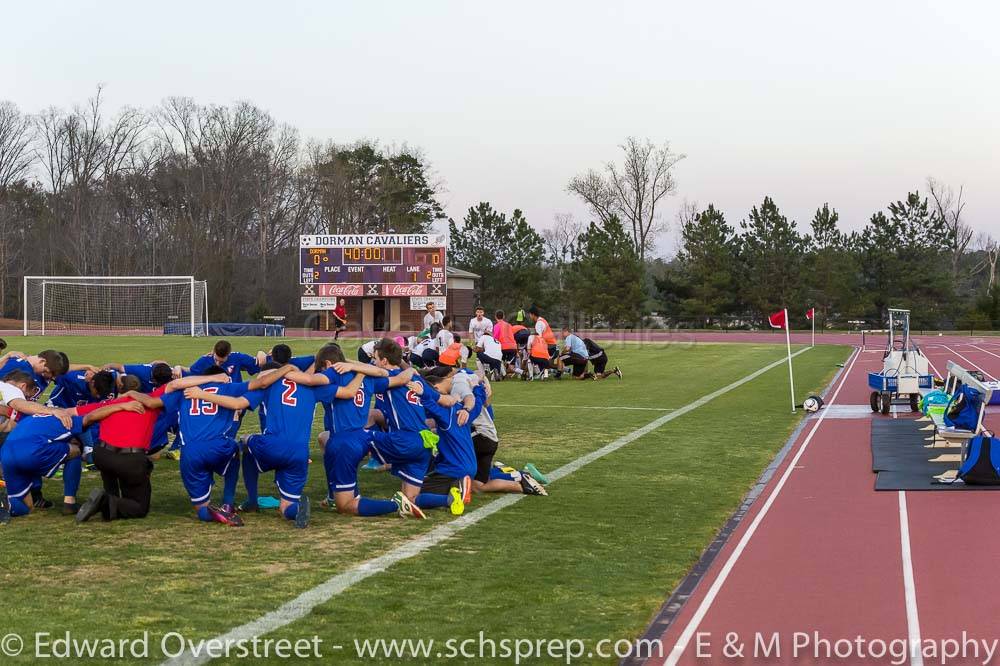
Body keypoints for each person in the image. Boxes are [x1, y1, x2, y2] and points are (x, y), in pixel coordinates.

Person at [185, 363, 337, 528]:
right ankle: (297, 508)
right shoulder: (312, 385)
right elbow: (347, 392)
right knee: (286, 507)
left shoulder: (269, 384)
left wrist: (201, 395)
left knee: (245, 443)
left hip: (271, 445)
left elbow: (237, 404)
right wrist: (357, 371)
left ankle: (250, 500)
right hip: (299, 452)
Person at [283, 343, 424, 518]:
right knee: (325, 439)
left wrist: (282, 372)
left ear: (328, 364)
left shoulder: (334, 373)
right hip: (361, 437)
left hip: (344, 441)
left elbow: (310, 380)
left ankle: (395, 505)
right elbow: (395, 377)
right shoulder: (366, 375)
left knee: (346, 505)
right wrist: (410, 370)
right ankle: (335, 494)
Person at [366, 338, 464, 515]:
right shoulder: (416, 380)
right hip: (424, 443)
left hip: (404, 440)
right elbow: (445, 400)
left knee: (354, 436)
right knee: (410, 498)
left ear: (384, 361)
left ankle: (337, 495)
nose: (373, 362)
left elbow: (366, 379)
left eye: (375, 358)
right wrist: (457, 400)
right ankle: (450, 499)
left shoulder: (388, 379)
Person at [1, 404, 142, 524]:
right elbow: (92, 416)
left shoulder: (33, 417)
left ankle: (5, 504)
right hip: (32, 452)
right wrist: (121, 405)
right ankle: (70, 502)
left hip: (6, 453)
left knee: (26, 507)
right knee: (74, 452)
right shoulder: (68, 420)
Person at [187, 340, 260, 380]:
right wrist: (179, 367)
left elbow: (260, 363)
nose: (218, 363)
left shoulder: (237, 357)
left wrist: (261, 353)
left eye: (221, 361)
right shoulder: (205, 360)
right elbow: (190, 371)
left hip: (234, 399)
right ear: (213, 351)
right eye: (216, 360)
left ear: (229, 354)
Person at [492, 310, 518, 376]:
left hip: (503, 347)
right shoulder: (509, 325)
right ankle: (522, 372)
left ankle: (502, 374)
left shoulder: (496, 326)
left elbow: (495, 339)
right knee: (511, 367)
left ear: (495, 317)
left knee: (499, 361)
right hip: (513, 347)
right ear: (504, 316)